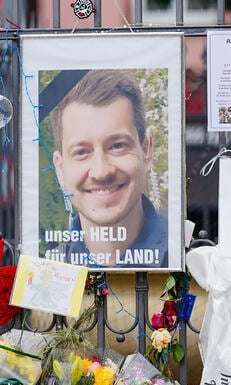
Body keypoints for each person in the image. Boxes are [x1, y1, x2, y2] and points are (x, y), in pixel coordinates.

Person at [48, 69, 168, 269]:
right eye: (81, 152)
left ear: (146, 151)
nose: (101, 171)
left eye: (117, 146)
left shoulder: (191, 262)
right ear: (60, 169)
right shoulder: (45, 272)